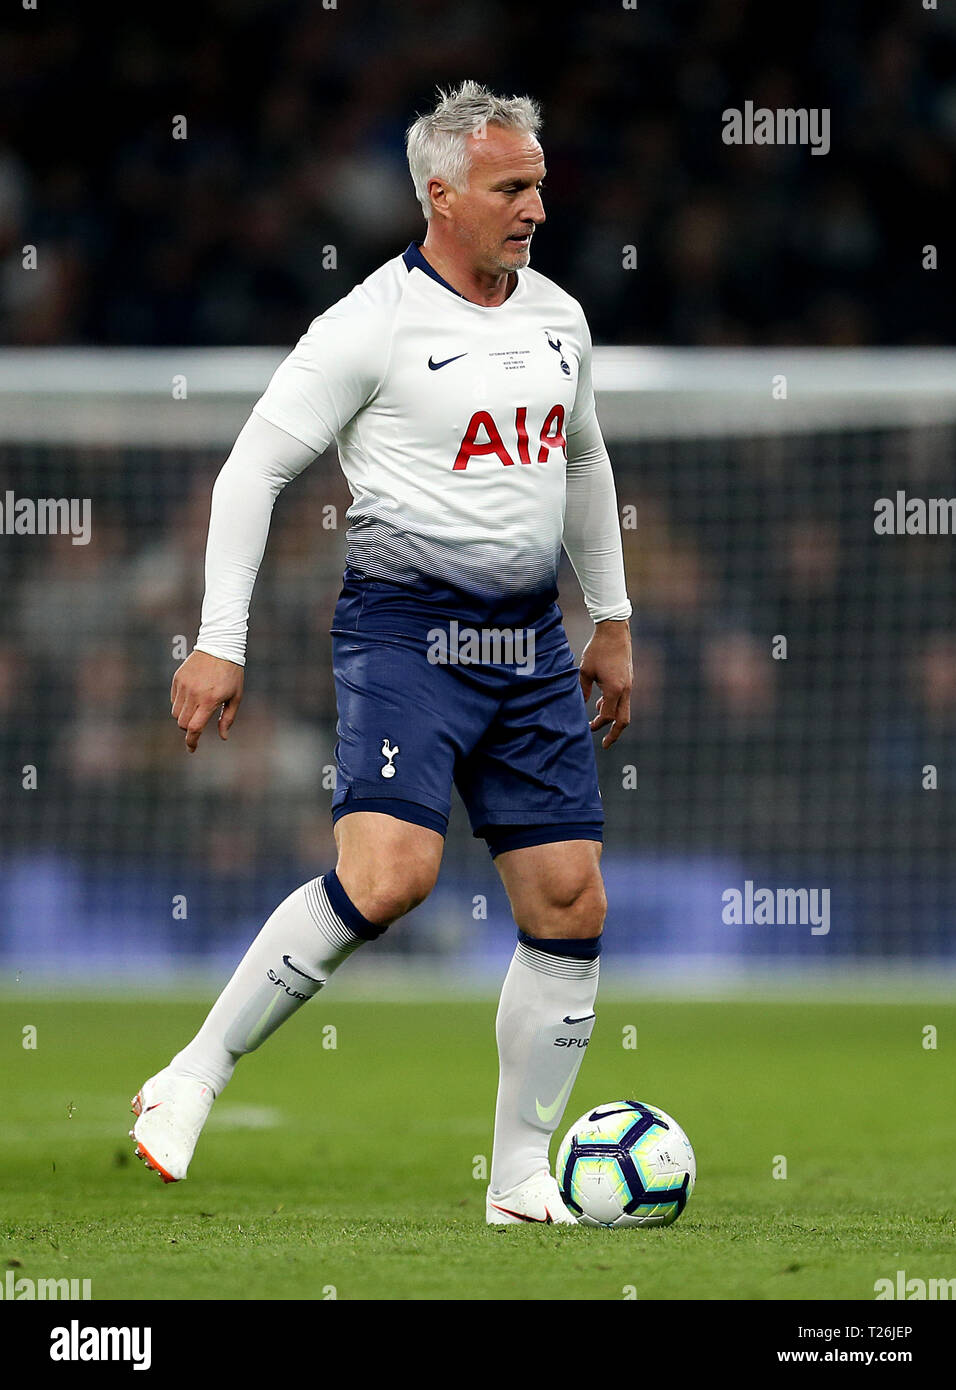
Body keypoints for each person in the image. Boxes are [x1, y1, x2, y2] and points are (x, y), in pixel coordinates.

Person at [131, 80, 633, 1225]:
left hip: (528, 644)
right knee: (390, 876)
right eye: (512, 188)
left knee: (567, 896)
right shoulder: (369, 324)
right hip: (406, 634)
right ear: (438, 194)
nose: (535, 209)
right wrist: (218, 645)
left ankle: (514, 1180)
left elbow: (587, 463)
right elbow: (249, 472)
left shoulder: (557, 316)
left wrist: (608, 619)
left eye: (539, 185)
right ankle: (192, 1073)